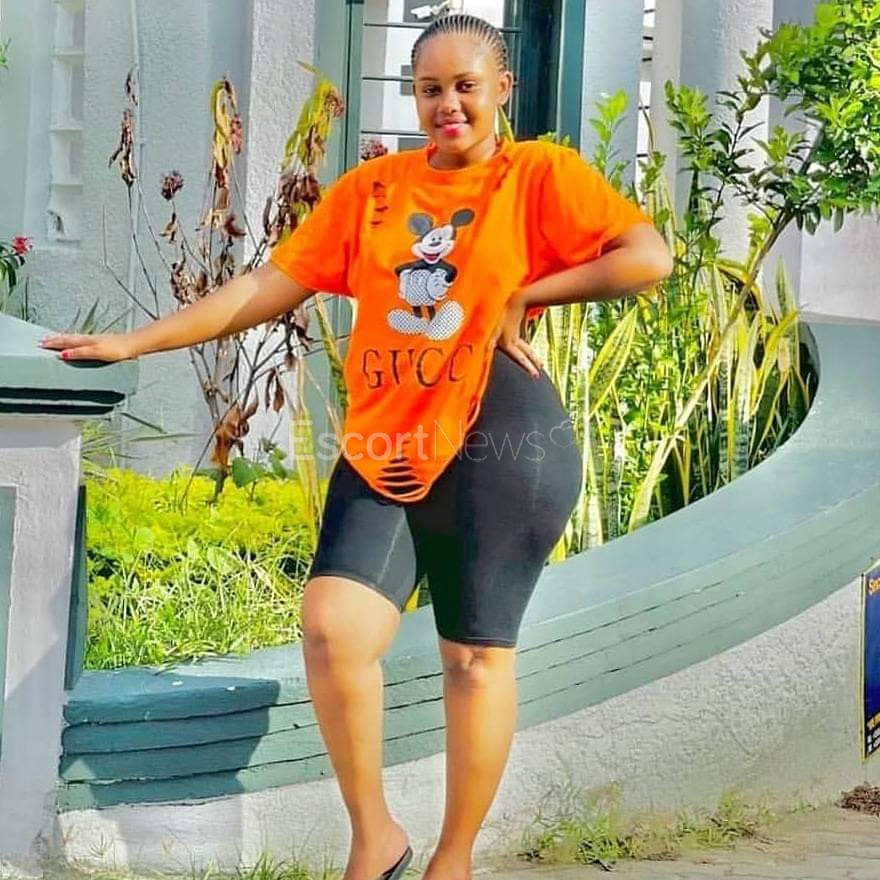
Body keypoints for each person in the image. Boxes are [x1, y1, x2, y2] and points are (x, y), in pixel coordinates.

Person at [40, 13, 673, 880]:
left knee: (475, 659)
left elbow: (648, 256)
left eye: (466, 86)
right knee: (333, 629)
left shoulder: (538, 175)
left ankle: (454, 861)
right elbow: (267, 286)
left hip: (501, 435)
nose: (448, 104)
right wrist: (134, 342)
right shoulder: (372, 191)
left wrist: (527, 293)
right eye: (430, 88)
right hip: (387, 438)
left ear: (502, 89)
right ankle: (375, 839)